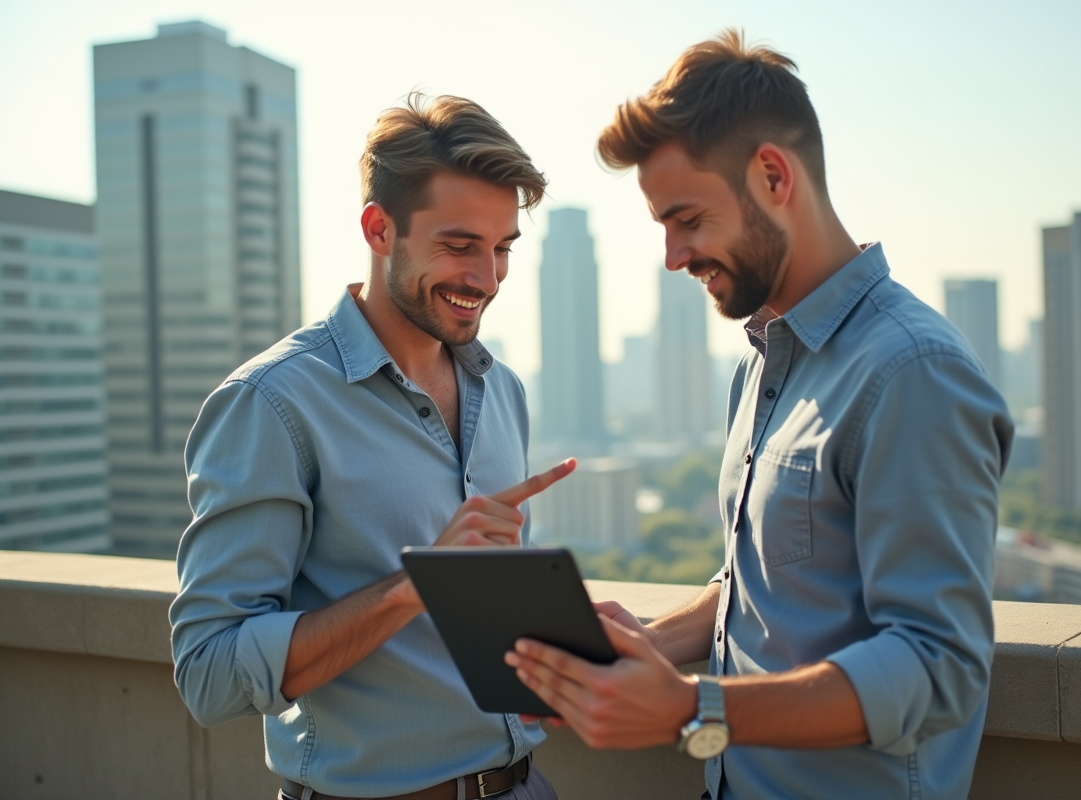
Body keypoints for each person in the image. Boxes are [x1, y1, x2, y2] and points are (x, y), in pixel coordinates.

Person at [505, 31, 1013, 800]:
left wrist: (691, 708)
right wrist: (649, 646)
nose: (673, 256)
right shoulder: (761, 361)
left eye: (687, 219)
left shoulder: (913, 372)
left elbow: (938, 667)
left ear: (773, 176)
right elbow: (769, 579)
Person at [171, 93, 572, 800]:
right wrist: (416, 587)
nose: (486, 279)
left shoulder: (501, 388)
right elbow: (209, 674)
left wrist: (557, 658)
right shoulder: (272, 403)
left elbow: (490, 622)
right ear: (379, 229)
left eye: (502, 248)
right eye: (459, 246)